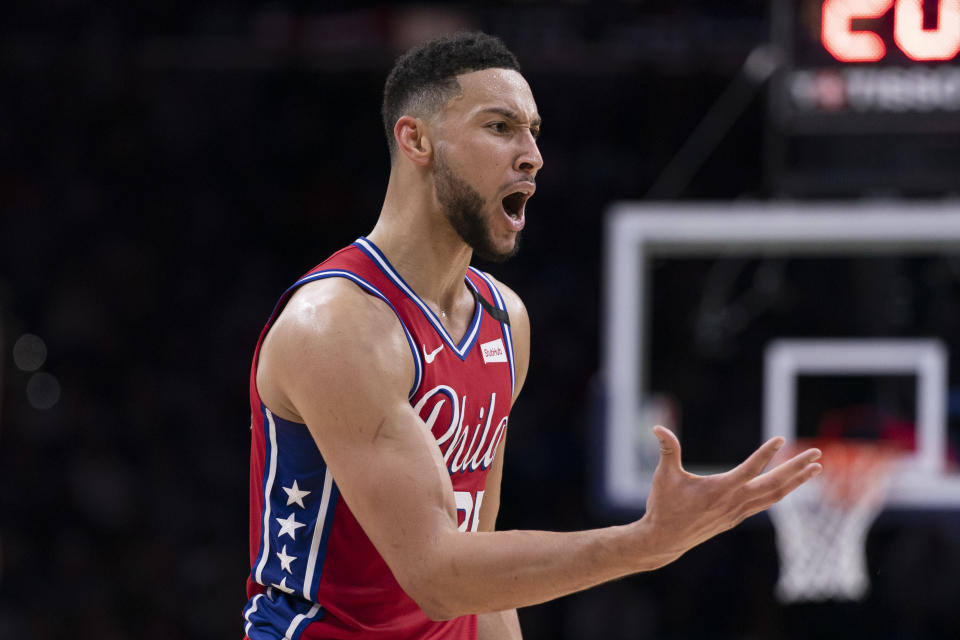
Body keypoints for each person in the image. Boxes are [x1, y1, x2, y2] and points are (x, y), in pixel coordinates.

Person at [242, 31, 823, 640]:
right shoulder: (336, 326)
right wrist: (644, 544)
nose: (531, 155)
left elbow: (480, 562)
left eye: (533, 132)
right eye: (499, 128)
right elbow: (438, 576)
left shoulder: (503, 318)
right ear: (416, 139)